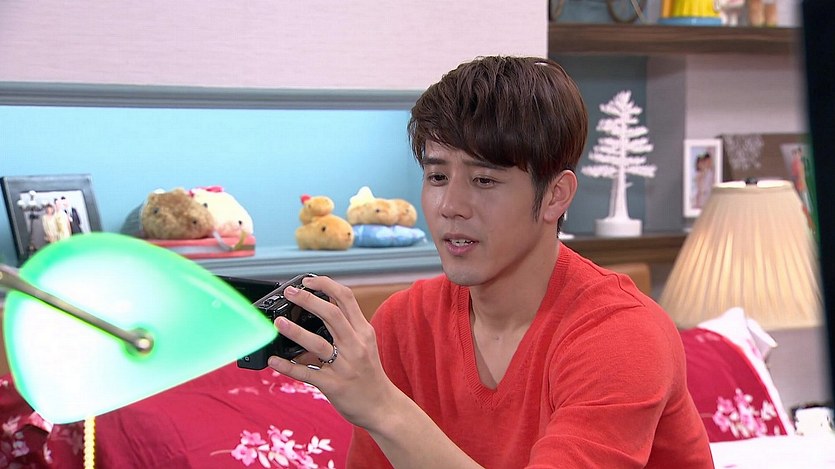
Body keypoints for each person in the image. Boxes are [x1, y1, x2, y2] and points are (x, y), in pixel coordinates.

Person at [269, 56, 713, 468]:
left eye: (483, 180)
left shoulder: (622, 335)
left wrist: (383, 406)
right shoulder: (405, 325)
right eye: (437, 176)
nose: (450, 206)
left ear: (555, 196)